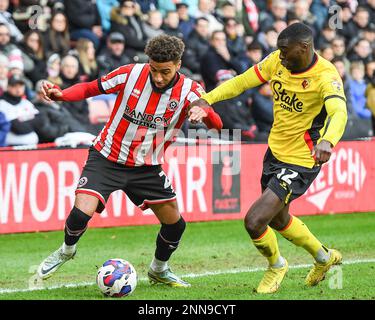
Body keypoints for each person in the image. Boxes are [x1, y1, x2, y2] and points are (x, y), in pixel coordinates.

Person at [36, 35, 223, 287]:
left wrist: (206, 112)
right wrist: (62, 96)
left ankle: (159, 269)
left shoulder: (191, 91)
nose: (158, 77)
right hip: (106, 157)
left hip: (147, 167)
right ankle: (67, 250)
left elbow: (218, 125)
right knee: (81, 213)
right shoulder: (130, 74)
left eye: (165, 72)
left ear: (178, 64)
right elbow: (91, 88)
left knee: (175, 225)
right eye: (154, 70)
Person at [189, 23, 347, 294]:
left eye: (286, 51)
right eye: (279, 51)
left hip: (301, 159)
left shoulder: (325, 75)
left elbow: (339, 111)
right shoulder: (276, 61)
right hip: (274, 153)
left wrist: (327, 140)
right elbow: (241, 81)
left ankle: (276, 265)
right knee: (278, 219)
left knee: (255, 220)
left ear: (305, 48)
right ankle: (324, 257)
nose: (281, 56)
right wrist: (207, 100)